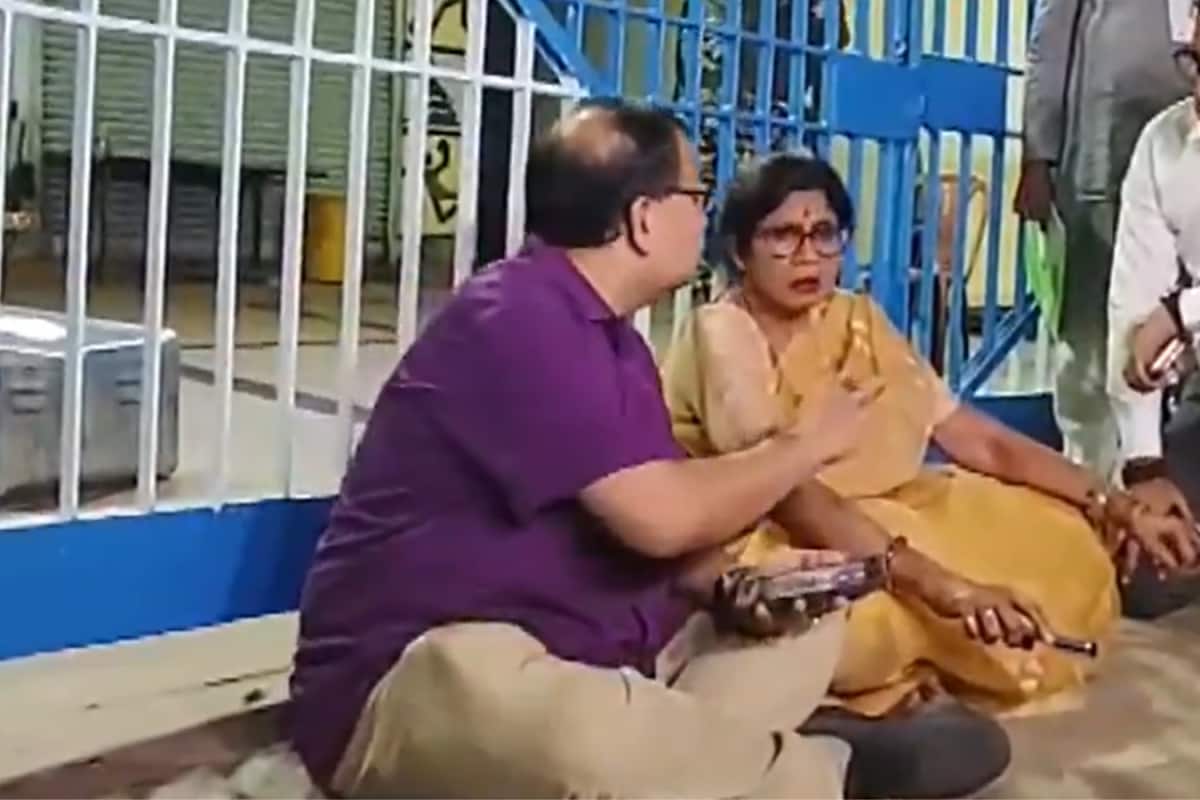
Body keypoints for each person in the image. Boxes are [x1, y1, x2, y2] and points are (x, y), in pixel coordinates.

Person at [288, 101, 1011, 800]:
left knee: (808, 607)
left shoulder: (618, 342)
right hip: (415, 689)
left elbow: (663, 539)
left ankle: (700, 759)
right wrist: (807, 442)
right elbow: (662, 518)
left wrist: (736, 587)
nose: (704, 215)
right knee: (505, 689)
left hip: (606, 663)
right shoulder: (516, 319)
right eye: (695, 196)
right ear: (642, 218)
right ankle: (824, 771)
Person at [663, 153, 1200, 727]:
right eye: (782, 236)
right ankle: (870, 698)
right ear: (740, 251)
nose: (808, 255)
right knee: (855, 618)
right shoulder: (723, 329)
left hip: (894, 513)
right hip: (781, 532)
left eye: (824, 234)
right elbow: (786, 492)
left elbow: (981, 441)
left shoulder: (856, 317)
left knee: (1065, 543)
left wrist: (1116, 505)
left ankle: (913, 678)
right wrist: (942, 585)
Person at [1015, 0, 1194, 481]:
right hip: (1108, 153)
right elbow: (1051, 40)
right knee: (1098, 338)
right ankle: (1095, 483)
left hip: (1179, 146)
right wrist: (1039, 152)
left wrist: (1181, 314)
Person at [1106, 10, 1200, 620]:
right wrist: (1145, 466)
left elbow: (1165, 316)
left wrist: (1183, 311)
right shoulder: (1163, 144)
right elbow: (1133, 308)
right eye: (1195, 62)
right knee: (1144, 576)